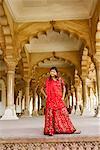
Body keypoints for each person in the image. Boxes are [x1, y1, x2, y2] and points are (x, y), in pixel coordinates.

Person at [41, 66, 81, 136]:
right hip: (50, 100)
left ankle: (67, 128)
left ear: (56, 73)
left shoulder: (59, 80)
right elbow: (42, 89)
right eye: (51, 71)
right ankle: (51, 129)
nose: (52, 73)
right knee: (51, 114)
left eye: (53, 71)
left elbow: (64, 88)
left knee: (63, 113)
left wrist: (63, 96)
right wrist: (46, 96)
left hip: (58, 99)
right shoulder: (48, 81)